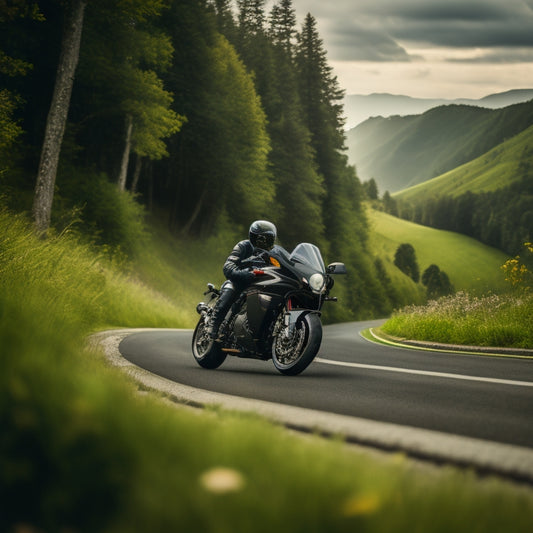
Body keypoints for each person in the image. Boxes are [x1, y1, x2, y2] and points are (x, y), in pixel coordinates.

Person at [207, 220, 277, 341]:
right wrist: (244, 273)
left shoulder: (274, 254)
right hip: (240, 281)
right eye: (261, 238)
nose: (264, 242)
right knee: (232, 289)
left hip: (260, 286)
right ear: (253, 237)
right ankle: (213, 325)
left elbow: (279, 268)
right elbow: (228, 266)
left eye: (267, 239)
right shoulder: (244, 246)